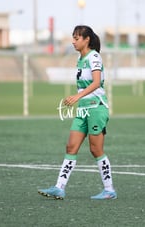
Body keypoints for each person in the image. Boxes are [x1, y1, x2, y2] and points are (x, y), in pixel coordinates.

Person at [38, 25, 117, 200]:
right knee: (71, 147)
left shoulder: (94, 57)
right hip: (83, 109)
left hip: (96, 108)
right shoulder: (80, 59)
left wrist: (76, 96)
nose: (73, 42)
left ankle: (109, 190)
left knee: (96, 149)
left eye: (76, 38)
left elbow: (96, 83)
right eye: (73, 38)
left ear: (86, 39)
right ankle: (59, 187)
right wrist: (78, 100)